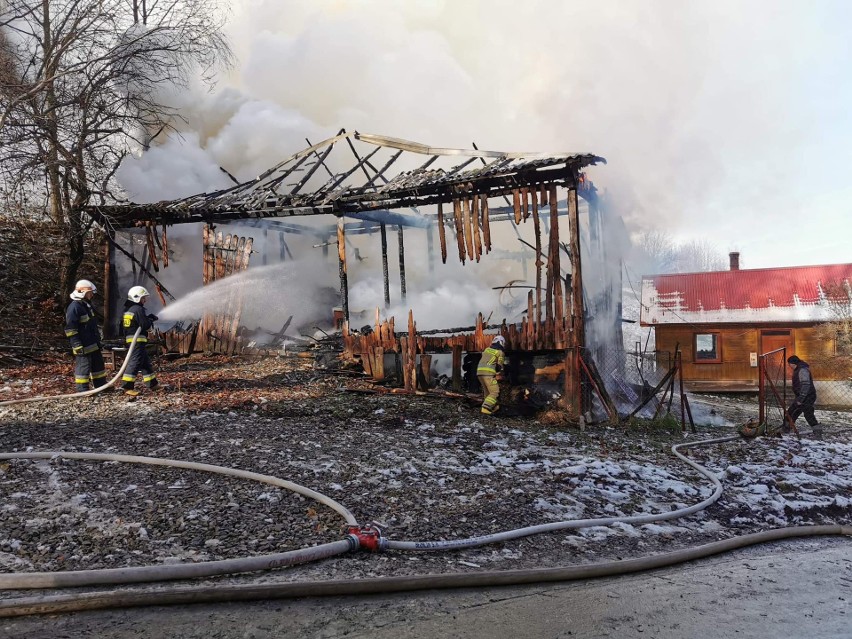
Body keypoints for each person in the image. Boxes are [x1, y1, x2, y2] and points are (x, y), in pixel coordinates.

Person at [64, 279, 107, 392]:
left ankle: (101, 386)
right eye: (90, 292)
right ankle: (82, 390)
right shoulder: (74, 308)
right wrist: (76, 344)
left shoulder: (85, 305)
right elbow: (70, 329)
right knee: (83, 367)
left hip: (92, 343)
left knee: (98, 366)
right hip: (83, 344)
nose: (92, 295)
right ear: (82, 292)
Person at [121, 285, 159, 392]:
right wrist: (151, 319)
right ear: (137, 298)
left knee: (145, 363)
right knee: (135, 362)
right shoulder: (138, 309)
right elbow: (144, 325)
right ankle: (127, 387)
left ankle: (153, 384)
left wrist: (148, 318)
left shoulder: (131, 309)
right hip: (137, 340)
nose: (145, 300)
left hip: (133, 339)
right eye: (143, 298)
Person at [786, 355, 821, 437]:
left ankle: (818, 431)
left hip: (808, 396)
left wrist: (800, 399)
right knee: (791, 411)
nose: (789, 366)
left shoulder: (802, 370)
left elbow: (805, 385)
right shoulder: (798, 369)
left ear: (793, 363)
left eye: (789, 364)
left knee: (808, 414)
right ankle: (787, 427)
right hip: (802, 396)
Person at [477, 335, 507, 415]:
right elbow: (499, 366)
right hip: (488, 374)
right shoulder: (500, 352)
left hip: (479, 373)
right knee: (495, 392)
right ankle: (485, 408)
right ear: (502, 343)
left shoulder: (487, 349)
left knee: (487, 392)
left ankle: (491, 407)